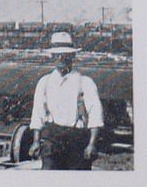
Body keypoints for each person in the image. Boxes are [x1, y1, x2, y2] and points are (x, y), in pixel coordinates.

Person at [29, 31, 104, 170]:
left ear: (73, 56)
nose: (61, 58)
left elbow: (95, 115)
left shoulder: (85, 82)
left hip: (77, 140)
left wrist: (92, 144)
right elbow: (37, 114)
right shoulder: (44, 82)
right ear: (52, 56)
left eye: (66, 55)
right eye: (58, 55)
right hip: (52, 140)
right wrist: (35, 141)